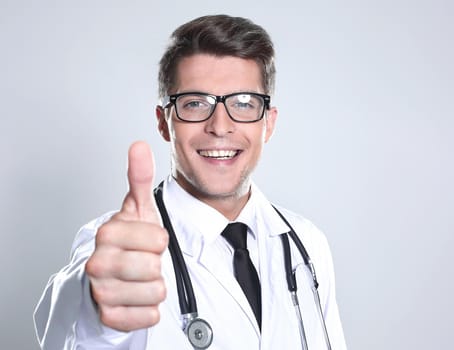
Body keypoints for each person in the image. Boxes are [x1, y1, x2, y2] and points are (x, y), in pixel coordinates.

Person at [34, 14, 347, 349]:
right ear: (164, 122)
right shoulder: (120, 247)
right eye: (196, 104)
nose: (220, 126)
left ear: (268, 124)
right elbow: (66, 326)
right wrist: (96, 301)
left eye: (244, 103)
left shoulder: (307, 244)